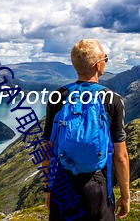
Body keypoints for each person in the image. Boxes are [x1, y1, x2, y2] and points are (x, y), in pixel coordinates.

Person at [42, 39, 130, 221]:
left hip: (63, 184)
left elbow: (48, 149)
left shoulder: (58, 96)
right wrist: (125, 196)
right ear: (98, 65)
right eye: (106, 58)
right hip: (97, 186)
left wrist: (48, 188)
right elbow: (120, 156)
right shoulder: (112, 100)